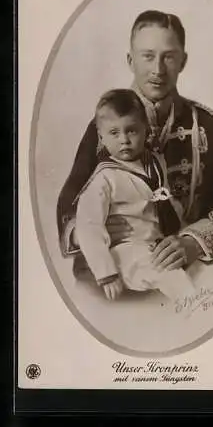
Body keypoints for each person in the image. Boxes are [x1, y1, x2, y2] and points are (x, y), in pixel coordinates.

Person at [57, 10, 213, 279]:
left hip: (184, 275)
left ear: (183, 61)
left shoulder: (210, 125)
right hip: (111, 275)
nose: (158, 70)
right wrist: (83, 233)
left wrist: (193, 243)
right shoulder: (104, 127)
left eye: (169, 57)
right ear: (131, 60)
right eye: (148, 56)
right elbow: (70, 199)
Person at [74, 88, 195, 302]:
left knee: (189, 273)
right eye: (114, 133)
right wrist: (106, 274)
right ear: (101, 137)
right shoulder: (105, 177)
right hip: (125, 250)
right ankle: (195, 313)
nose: (124, 140)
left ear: (146, 130)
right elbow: (89, 226)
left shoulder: (154, 162)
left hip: (152, 244)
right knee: (176, 280)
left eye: (132, 131)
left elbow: (165, 201)